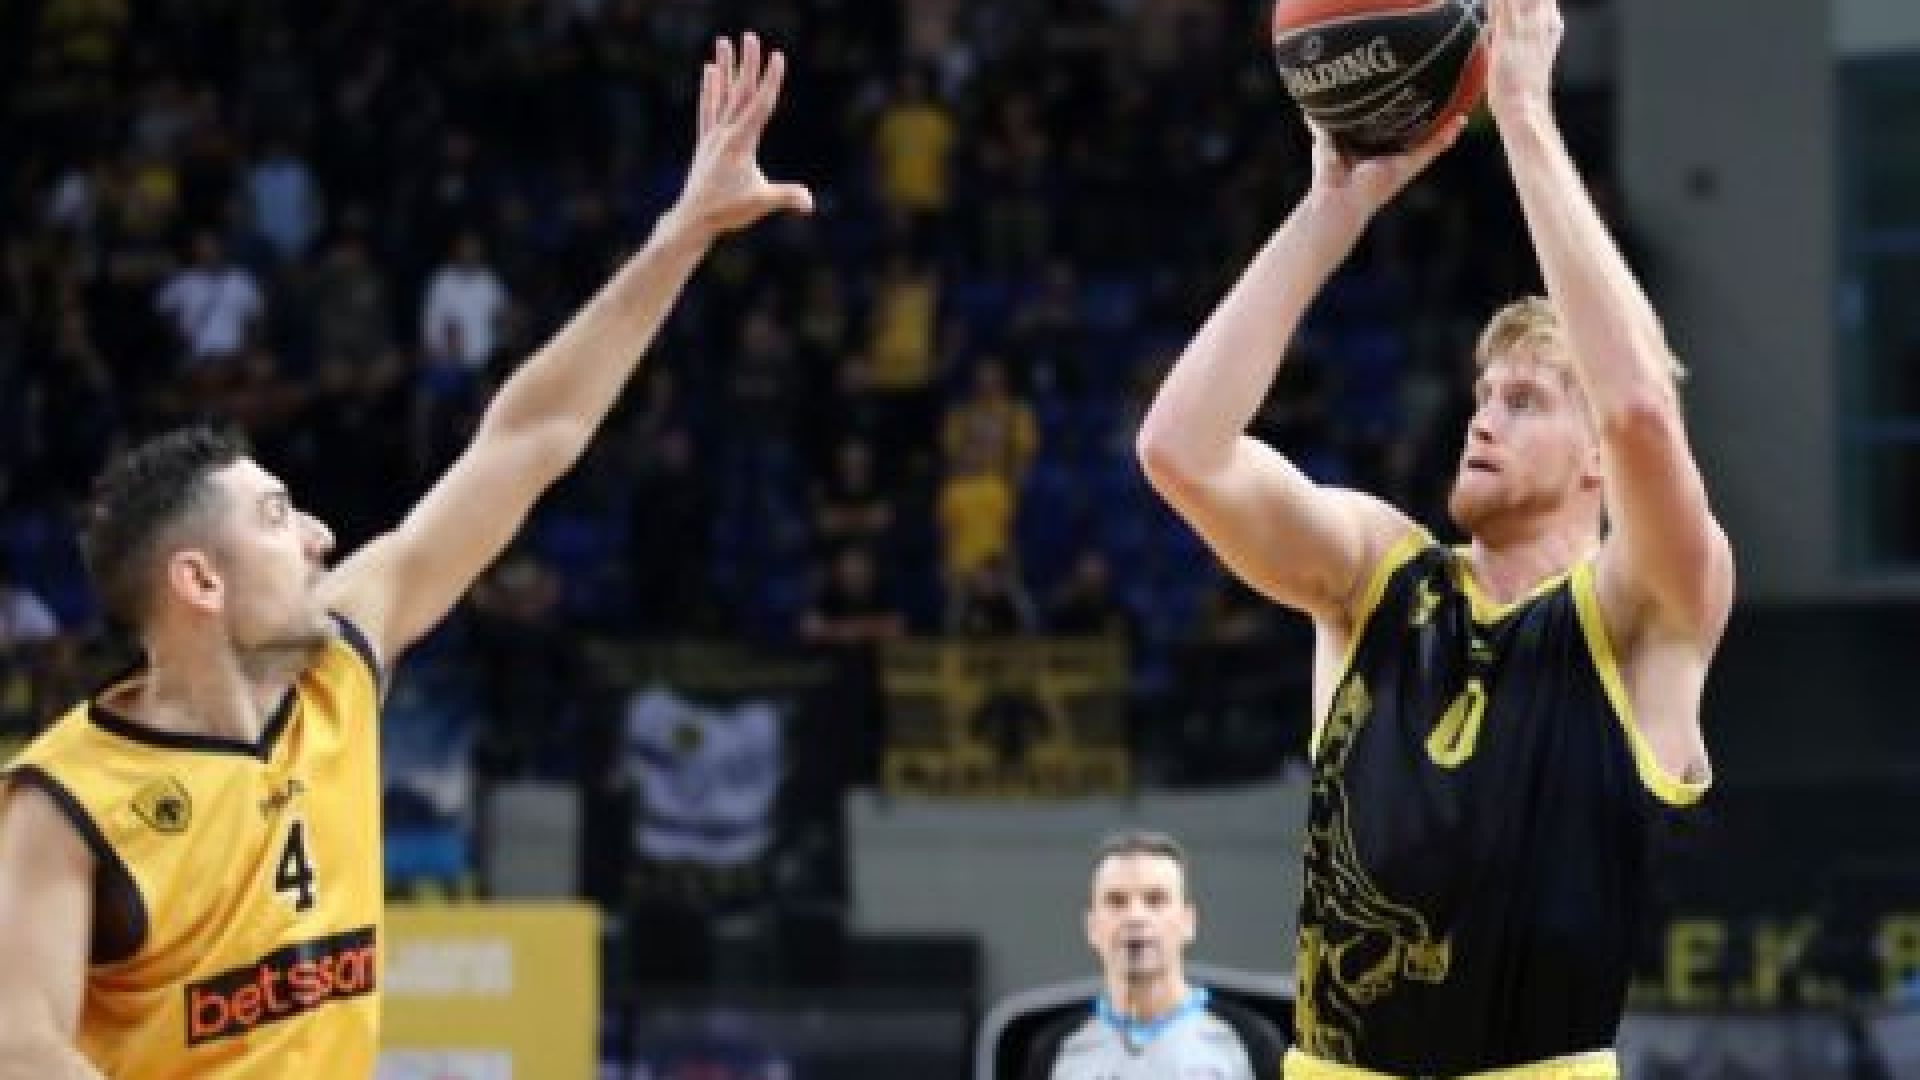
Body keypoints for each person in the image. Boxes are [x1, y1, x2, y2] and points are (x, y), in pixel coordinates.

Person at [0, 33, 812, 1080]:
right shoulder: (64, 802)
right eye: (277, 517)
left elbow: (527, 439)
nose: (320, 535)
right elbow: (20, 1047)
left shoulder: (339, 663)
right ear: (198, 580)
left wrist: (680, 236)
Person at [1133, 1, 1733, 1077]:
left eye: (1526, 400)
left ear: (1597, 460)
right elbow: (1180, 449)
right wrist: (1330, 213)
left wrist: (1525, 118)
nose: (1483, 418)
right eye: (1482, 395)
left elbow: (1643, 409)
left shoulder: (1644, 615)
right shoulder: (1378, 574)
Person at [1025, 830, 1287, 1080]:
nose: (1135, 916)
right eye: (1116, 901)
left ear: (1188, 922)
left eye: (1156, 899)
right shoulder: (1053, 1050)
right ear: (1091, 926)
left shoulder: (1252, 1041)